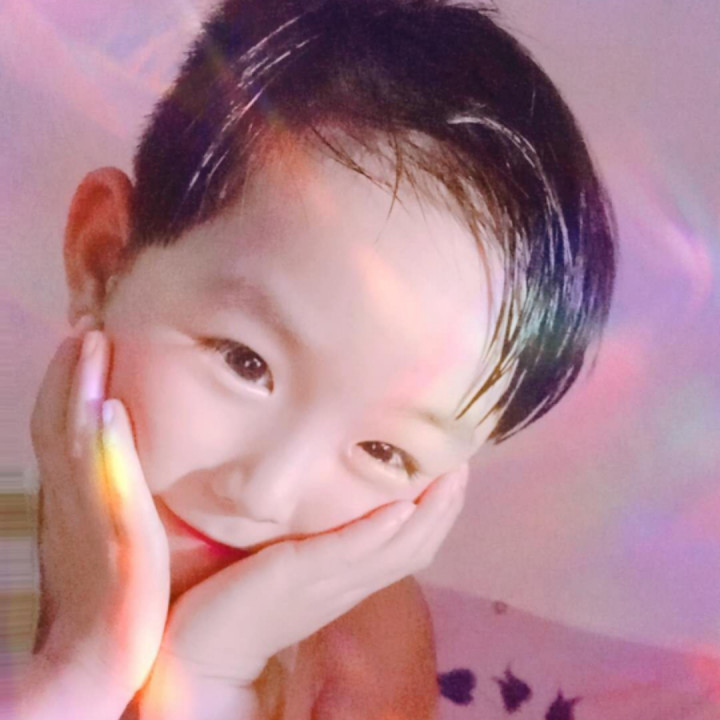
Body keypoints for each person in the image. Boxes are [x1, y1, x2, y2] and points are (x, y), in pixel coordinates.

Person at [17, 0, 616, 718]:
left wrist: (208, 674)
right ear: (104, 258)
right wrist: (84, 666)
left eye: (384, 451)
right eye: (245, 363)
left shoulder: (360, 646)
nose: (264, 493)